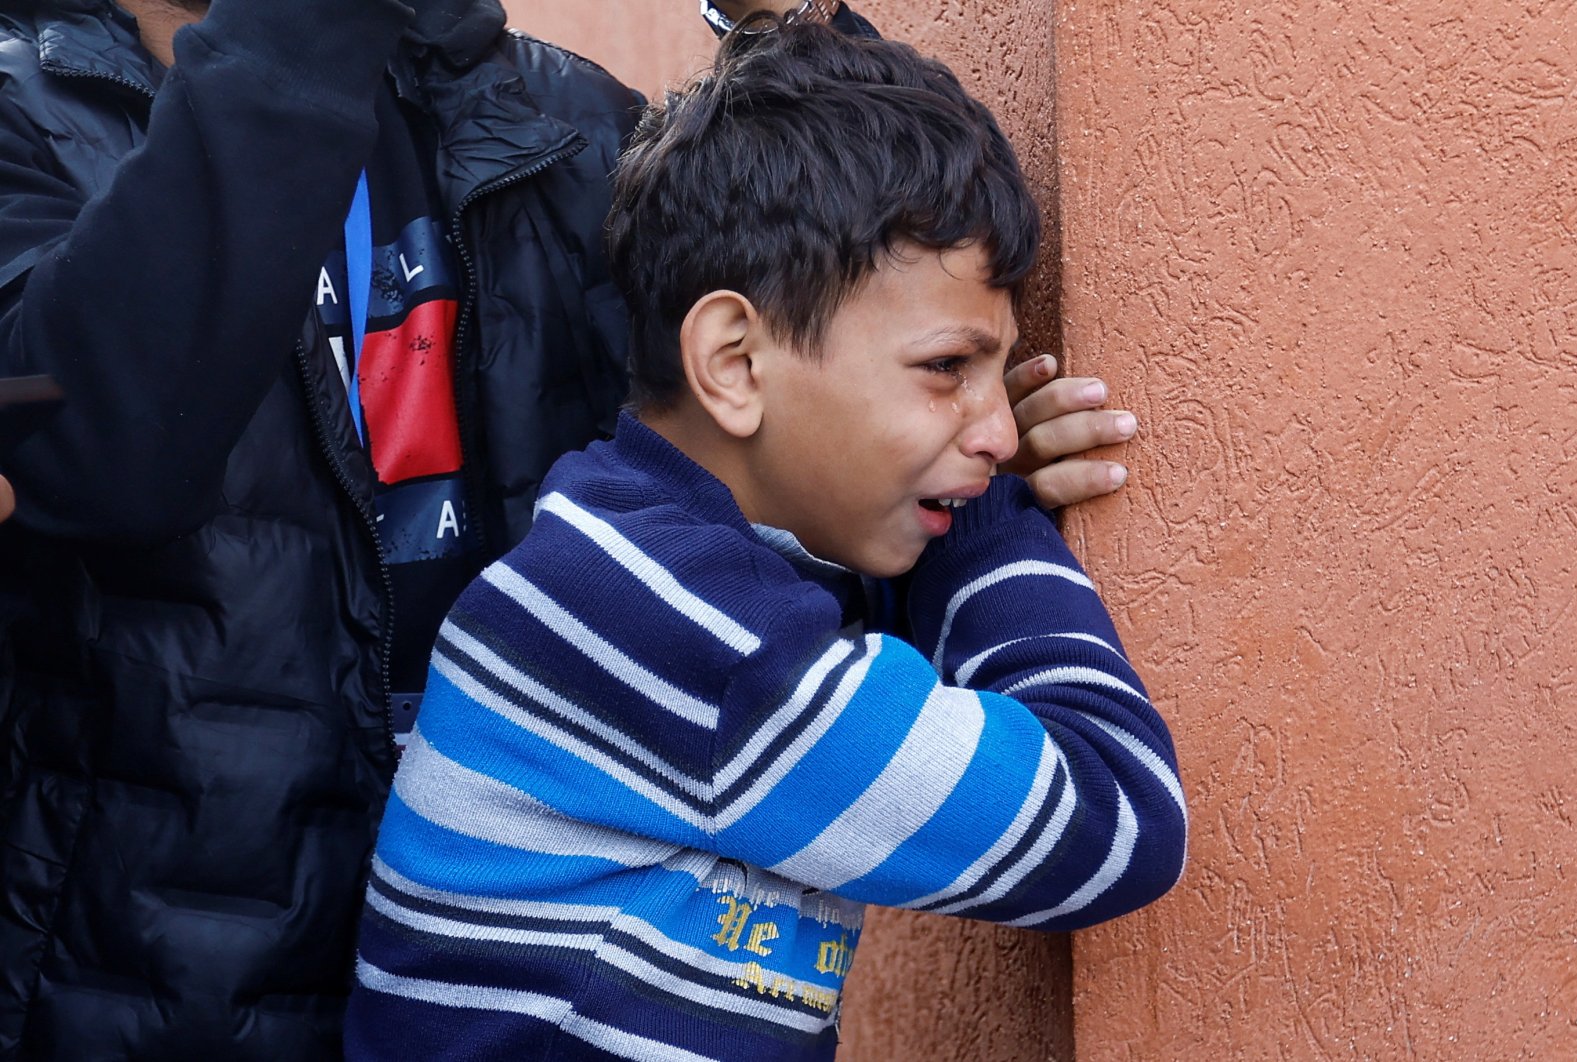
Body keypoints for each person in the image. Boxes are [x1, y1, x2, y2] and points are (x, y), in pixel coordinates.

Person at [0, 0, 1139, 1056]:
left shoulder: (541, 115)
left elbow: (823, 325)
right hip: (140, 993)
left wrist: (954, 462)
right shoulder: (21, 105)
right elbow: (101, 454)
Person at [344, 19, 1186, 1061]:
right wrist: (981, 522)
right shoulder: (682, 629)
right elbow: (1114, 821)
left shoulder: (652, 563)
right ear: (734, 363)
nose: (999, 431)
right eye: (944, 368)